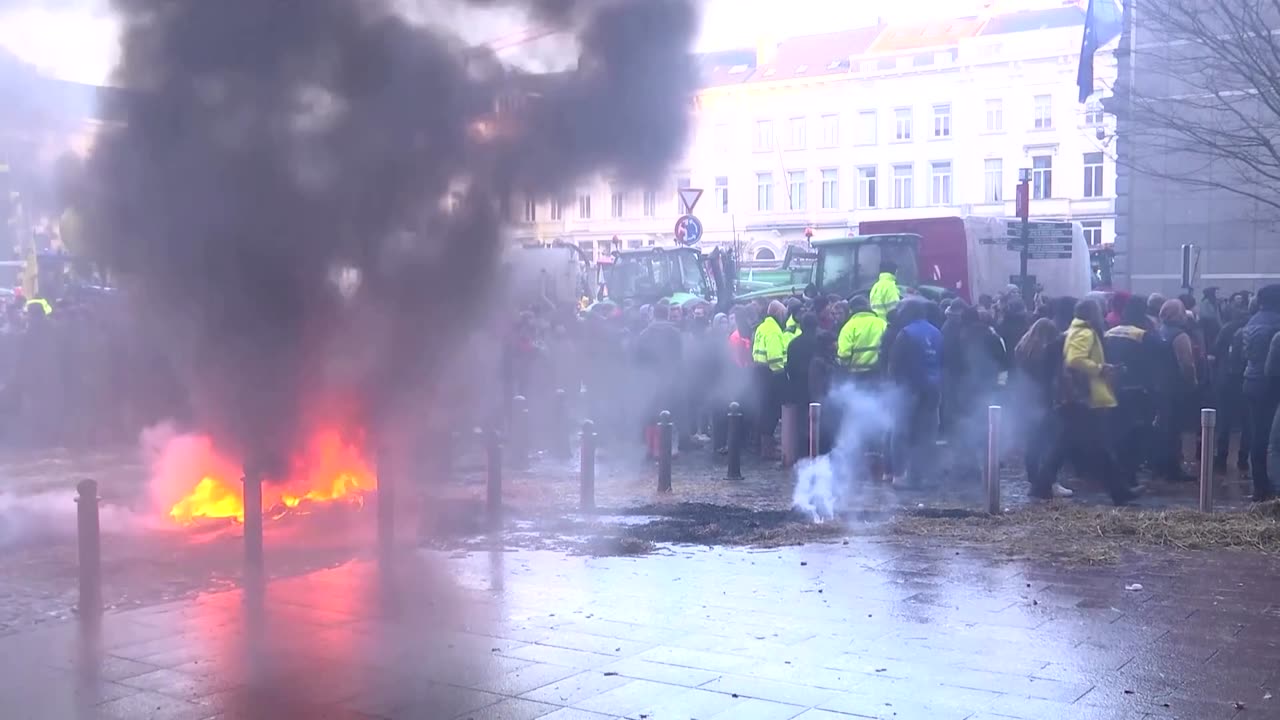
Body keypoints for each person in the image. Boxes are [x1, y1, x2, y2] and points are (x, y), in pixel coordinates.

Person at [1044, 299, 1137, 505]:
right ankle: (1119, 491)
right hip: (1085, 397)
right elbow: (1075, 360)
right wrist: (1100, 368)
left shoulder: (1077, 330)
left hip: (1078, 396)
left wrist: (1103, 366)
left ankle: (1041, 484)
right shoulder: (1085, 332)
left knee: (1065, 443)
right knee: (1099, 447)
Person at [1104, 296, 1165, 492]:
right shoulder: (1143, 335)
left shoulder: (1109, 332)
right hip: (1138, 392)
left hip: (1112, 390)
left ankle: (1118, 477)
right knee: (1134, 437)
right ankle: (1129, 478)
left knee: (1115, 435)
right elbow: (1161, 354)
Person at [888, 298, 942, 488]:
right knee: (926, 434)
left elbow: (894, 364)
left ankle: (900, 475)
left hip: (909, 389)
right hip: (933, 390)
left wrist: (897, 385)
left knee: (901, 431)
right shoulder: (936, 332)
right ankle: (921, 475)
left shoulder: (906, 333)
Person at [1015, 318, 1071, 498]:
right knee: (1050, 443)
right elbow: (1053, 378)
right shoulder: (1048, 352)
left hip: (1025, 399)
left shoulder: (1023, 349)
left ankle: (1034, 479)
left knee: (1032, 443)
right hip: (1044, 400)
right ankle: (1049, 482)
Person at [1154, 298, 1198, 483]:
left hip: (1159, 385)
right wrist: (1193, 382)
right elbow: (1186, 364)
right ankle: (1173, 468)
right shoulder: (1180, 336)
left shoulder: (1159, 331)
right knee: (1175, 428)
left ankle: (1160, 465)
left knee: (1163, 427)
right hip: (1176, 388)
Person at [1244, 284, 1280, 501]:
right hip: (1271, 383)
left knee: (1257, 434)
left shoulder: (1253, 320)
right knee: (1272, 438)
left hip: (1251, 379)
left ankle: (1260, 485)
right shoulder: (1276, 322)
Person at [1212, 302, 1251, 473]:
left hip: (1226, 379)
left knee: (1225, 420)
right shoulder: (1251, 328)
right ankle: (1243, 459)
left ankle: (1221, 458)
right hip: (1245, 378)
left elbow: (1215, 349)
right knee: (1248, 421)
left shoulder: (1227, 328)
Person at [752, 300, 788, 459]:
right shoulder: (773, 330)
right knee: (771, 411)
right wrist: (781, 376)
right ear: (779, 313)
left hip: (759, 371)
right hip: (770, 374)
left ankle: (762, 445)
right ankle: (767, 449)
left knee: (763, 409)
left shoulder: (762, 327)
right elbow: (774, 357)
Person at [837, 296, 887, 378]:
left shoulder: (848, 327)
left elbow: (844, 354)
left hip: (857, 376)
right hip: (879, 373)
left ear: (851, 310)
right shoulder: (882, 323)